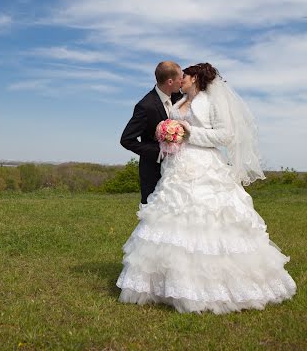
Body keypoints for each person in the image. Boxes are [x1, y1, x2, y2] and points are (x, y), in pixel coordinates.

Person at [117, 63, 296, 313]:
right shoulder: (177, 103)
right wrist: (166, 136)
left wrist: (190, 133)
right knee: (172, 221)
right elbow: (141, 134)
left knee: (209, 218)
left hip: (205, 166)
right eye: (179, 77)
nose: (181, 80)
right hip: (176, 168)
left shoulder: (209, 102)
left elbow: (224, 136)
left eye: (185, 76)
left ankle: (217, 283)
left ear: (195, 78)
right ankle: (164, 281)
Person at [120, 61, 183, 204]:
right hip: (153, 171)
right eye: (180, 77)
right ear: (170, 81)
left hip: (177, 169)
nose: (182, 80)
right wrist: (158, 151)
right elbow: (126, 140)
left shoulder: (179, 98)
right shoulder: (145, 106)